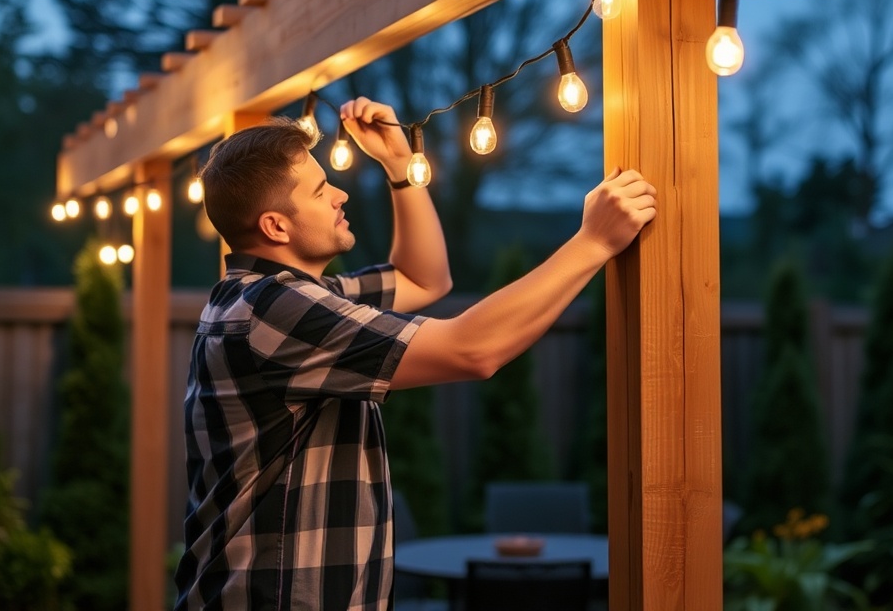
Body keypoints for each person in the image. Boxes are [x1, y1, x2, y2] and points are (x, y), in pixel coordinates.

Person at [173, 97, 656, 610]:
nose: (340, 194)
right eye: (319, 190)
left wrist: (401, 168)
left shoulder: (281, 299)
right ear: (276, 227)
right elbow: (473, 350)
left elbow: (423, 279)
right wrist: (592, 243)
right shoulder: (273, 311)